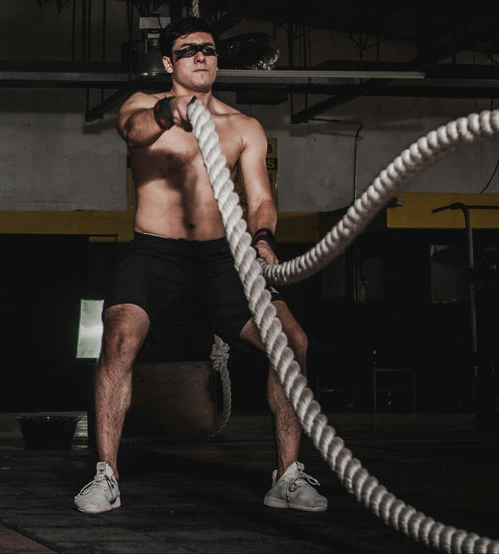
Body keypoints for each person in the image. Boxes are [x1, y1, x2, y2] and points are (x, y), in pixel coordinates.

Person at [73, 17, 326, 515]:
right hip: (155, 253)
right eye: (188, 50)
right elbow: (134, 130)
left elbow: (260, 199)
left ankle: (288, 476)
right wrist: (173, 111)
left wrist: (263, 239)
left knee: (292, 343)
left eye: (208, 50)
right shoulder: (144, 108)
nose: (201, 57)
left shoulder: (244, 127)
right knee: (119, 334)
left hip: (221, 259)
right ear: (169, 63)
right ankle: (106, 474)